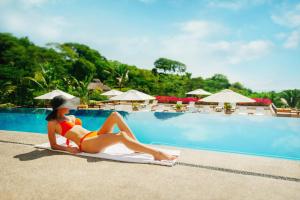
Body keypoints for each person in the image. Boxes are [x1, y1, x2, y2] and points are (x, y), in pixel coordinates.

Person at [46, 95, 177, 161]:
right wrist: (68, 149)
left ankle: (136, 145)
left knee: (115, 115)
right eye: (67, 104)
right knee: (120, 136)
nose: (70, 106)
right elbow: (53, 145)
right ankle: (156, 154)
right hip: (86, 144)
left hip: (93, 135)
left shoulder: (72, 117)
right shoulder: (53, 122)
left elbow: (74, 132)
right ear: (59, 107)